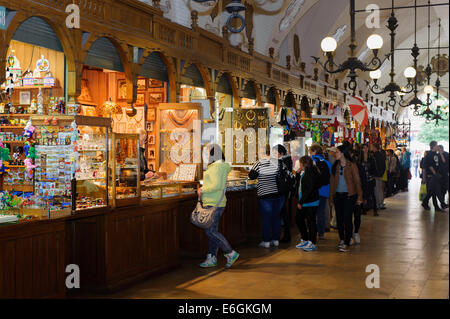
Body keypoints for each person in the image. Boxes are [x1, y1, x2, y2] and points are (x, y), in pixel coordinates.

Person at [197, 144, 239, 268]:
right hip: (217, 202)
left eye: (208, 152)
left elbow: (216, 185)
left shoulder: (216, 167)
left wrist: (202, 189)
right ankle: (211, 257)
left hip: (213, 202)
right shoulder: (221, 166)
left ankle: (230, 252)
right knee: (213, 231)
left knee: (210, 232)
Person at [249, 145, 285, 248]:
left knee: (266, 218)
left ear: (262, 152)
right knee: (276, 217)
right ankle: (276, 239)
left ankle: (266, 241)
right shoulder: (277, 162)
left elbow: (251, 176)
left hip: (265, 194)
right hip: (278, 194)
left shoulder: (259, 163)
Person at [329, 145, 363, 252]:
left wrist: (360, 196)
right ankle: (342, 239)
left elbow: (357, 181)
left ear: (343, 153)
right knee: (339, 219)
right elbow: (332, 182)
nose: (335, 154)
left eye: (337, 152)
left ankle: (347, 242)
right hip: (338, 195)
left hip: (349, 195)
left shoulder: (351, 165)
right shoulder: (335, 165)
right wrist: (331, 196)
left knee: (347, 219)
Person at [294, 156, 320, 251]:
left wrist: (301, 201)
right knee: (299, 219)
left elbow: (310, 189)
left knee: (311, 222)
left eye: (300, 163)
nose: (299, 165)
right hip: (305, 201)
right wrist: (297, 174)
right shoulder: (305, 172)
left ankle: (312, 242)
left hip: (310, 202)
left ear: (304, 163)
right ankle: (305, 239)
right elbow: (299, 185)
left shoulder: (310, 172)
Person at [309, 144, 331, 240]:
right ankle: (321, 233)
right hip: (325, 190)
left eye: (310, 152)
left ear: (314, 152)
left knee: (312, 213)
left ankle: (312, 232)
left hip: (314, 190)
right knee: (321, 212)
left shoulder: (312, 161)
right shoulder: (327, 163)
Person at [422, 141, 448, 211]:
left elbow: (443, 161)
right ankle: (442, 204)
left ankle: (427, 203)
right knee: (436, 190)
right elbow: (430, 166)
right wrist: (434, 174)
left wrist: (440, 152)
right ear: (433, 146)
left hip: (436, 175)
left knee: (432, 191)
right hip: (431, 176)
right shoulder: (429, 154)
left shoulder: (436, 154)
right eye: (437, 145)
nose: (438, 147)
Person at [275, 145, 294, 243]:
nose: (274, 155)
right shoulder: (287, 161)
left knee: (282, 213)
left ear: (281, 153)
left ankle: (283, 236)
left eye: (275, 152)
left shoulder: (282, 162)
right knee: (283, 213)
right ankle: (285, 235)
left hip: (281, 190)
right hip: (285, 190)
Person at [359, 144, 378, 218]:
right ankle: (363, 209)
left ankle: (375, 210)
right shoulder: (360, 158)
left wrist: (369, 172)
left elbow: (374, 168)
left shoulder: (371, 158)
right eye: (364, 148)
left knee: (372, 194)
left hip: (370, 179)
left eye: (366, 148)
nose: (365, 149)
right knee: (363, 194)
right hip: (363, 179)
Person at [371, 143, 386, 210]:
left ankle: (377, 204)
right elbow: (384, 166)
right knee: (380, 189)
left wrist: (375, 173)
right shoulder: (381, 155)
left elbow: (374, 166)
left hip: (376, 175)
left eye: (372, 147)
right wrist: (381, 173)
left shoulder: (374, 155)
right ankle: (381, 203)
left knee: (376, 190)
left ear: (375, 147)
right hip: (380, 175)